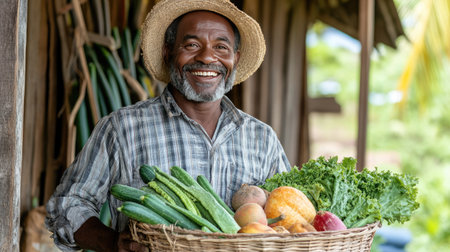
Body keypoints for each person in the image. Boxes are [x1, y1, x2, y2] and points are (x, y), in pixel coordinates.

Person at [46, 0, 290, 251]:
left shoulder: (262, 138)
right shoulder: (123, 129)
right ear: (168, 51)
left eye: (221, 46)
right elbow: (66, 206)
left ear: (235, 58)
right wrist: (113, 243)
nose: (207, 57)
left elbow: (293, 218)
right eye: (192, 44)